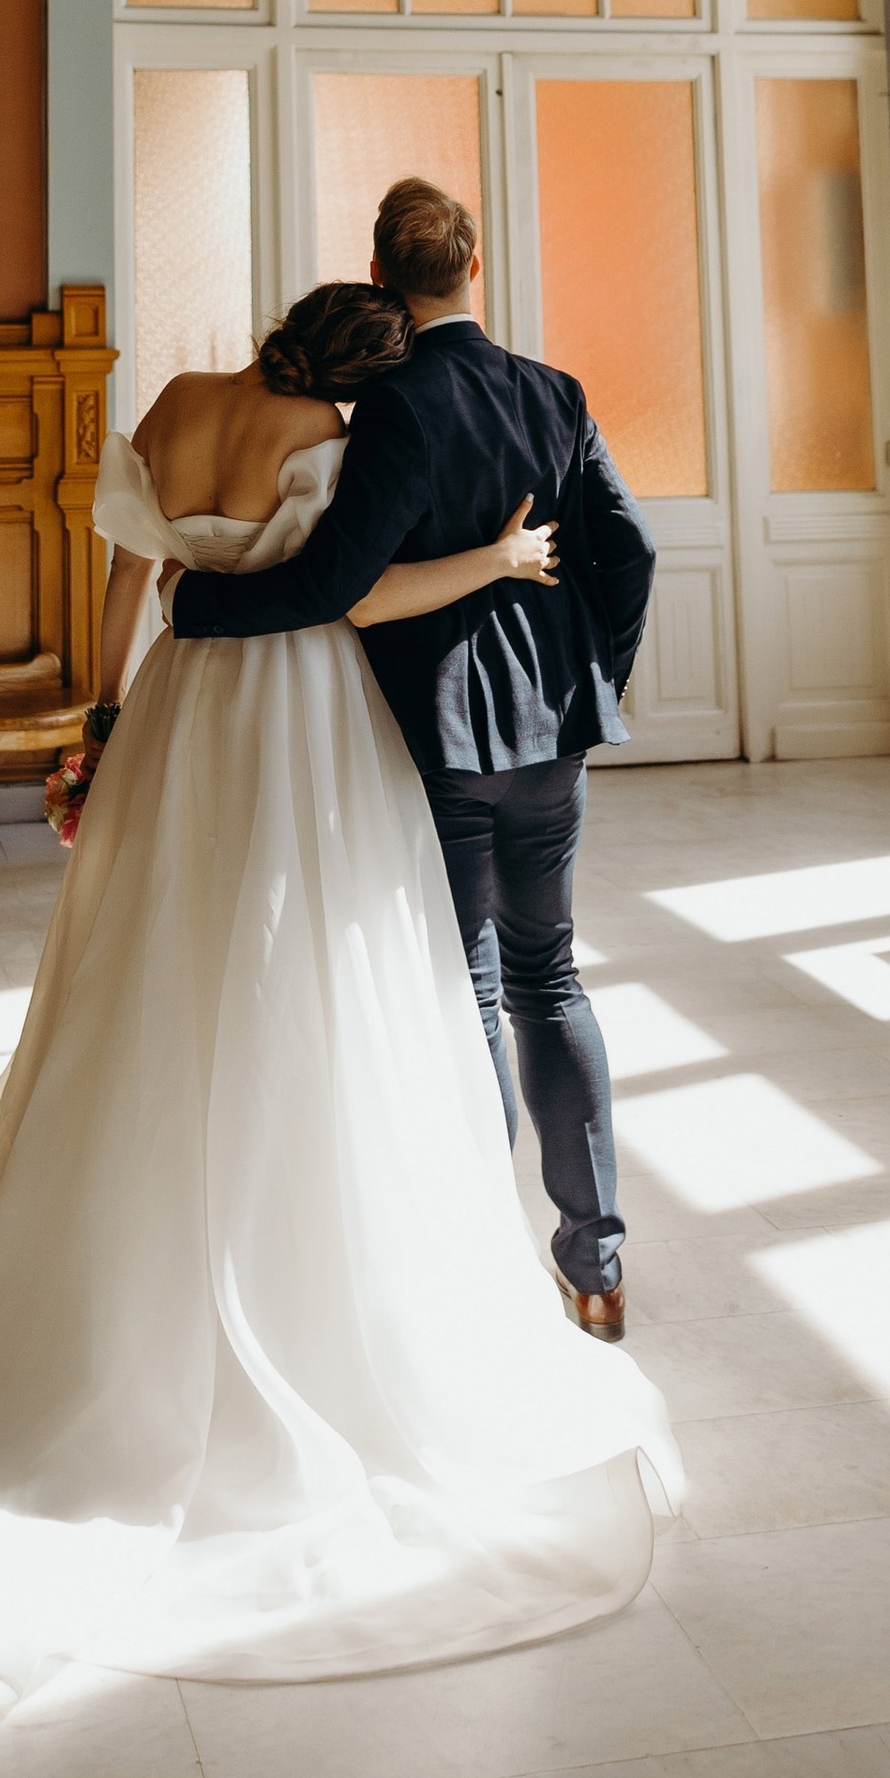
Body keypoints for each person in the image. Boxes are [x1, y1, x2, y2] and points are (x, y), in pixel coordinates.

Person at [0, 276, 681, 1733]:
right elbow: (349, 590)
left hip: (176, 718)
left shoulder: (169, 409)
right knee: (313, 976)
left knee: (145, 974)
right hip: (302, 723)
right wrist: (498, 563)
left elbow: (127, 581)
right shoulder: (326, 436)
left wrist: (99, 714)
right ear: (361, 366)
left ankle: (109, 1253)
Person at [165, 176, 655, 1333]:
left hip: (436, 740)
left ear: (381, 273)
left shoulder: (391, 407)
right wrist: (588, 681)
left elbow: (337, 586)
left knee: (470, 992)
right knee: (554, 975)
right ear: (472, 268)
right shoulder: (555, 389)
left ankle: (482, 1266)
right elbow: (628, 555)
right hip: (552, 740)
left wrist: (197, 611)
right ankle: (597, 1267)